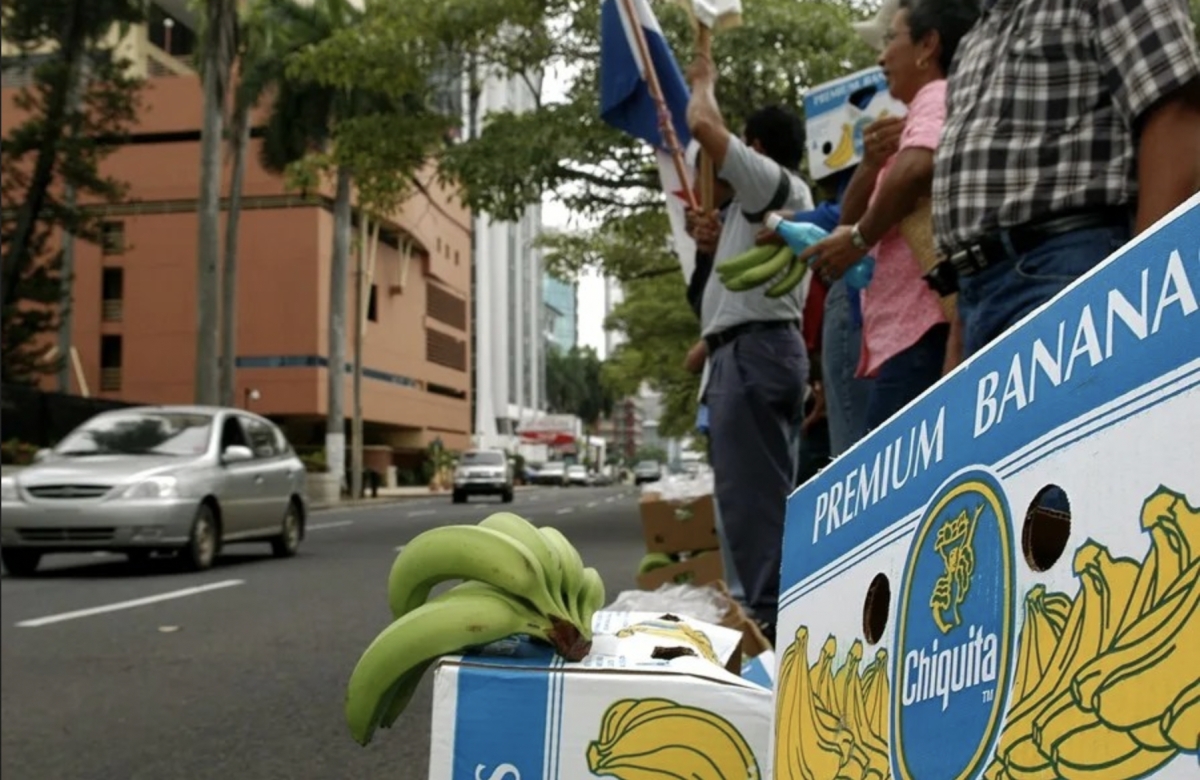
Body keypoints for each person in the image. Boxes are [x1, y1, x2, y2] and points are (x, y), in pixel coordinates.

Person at [933, 0, 1200, 357]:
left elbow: (1176, 114)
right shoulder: (976, 36)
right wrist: (961, 330)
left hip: (1070, 269)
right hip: (976, 294)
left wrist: (1141, 291)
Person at [800, 0, 981, 431]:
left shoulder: (936, 96)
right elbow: (850, 216)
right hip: (911, 334)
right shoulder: (910, 117)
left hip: (925, 329)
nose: (881, 57)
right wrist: (869, 164)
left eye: (890, 40)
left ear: (928, 46)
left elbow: (917, 169)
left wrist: (860, 239)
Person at [685, 46, 814, 642]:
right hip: (751, 353)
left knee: (752, 502)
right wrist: (709, 246)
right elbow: (717, 298)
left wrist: (704, 80)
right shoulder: (752, 211)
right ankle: (769, 609)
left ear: (756, 149)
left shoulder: (773, 185)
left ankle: (767, 619)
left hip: (756, 356)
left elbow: (702, 126)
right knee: (759, 496)